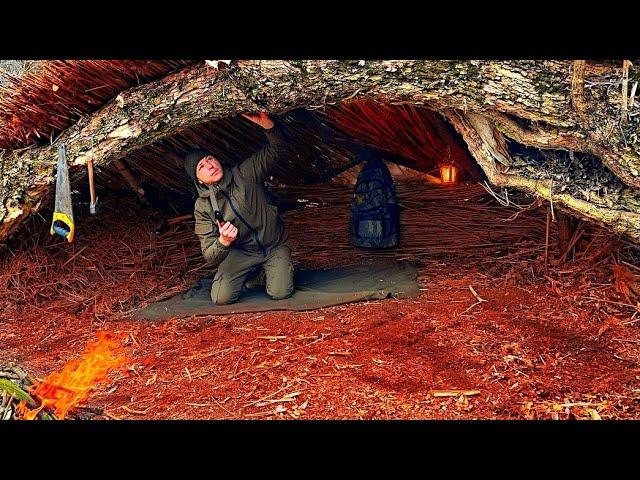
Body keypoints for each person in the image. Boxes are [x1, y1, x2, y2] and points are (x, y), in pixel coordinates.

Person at [183, 112, 294, 305]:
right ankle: (254, 274)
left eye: (210, 158)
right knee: (221, 298)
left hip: (273, 244)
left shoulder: (244, 174)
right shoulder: (202, 207)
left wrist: (269, 126)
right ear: (198, 180)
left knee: (280, 293)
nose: (210, 165)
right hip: (241, 253)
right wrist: (223, 241)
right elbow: (210, 255)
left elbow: (277, 149)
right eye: (202, 166)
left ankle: (271, 271)